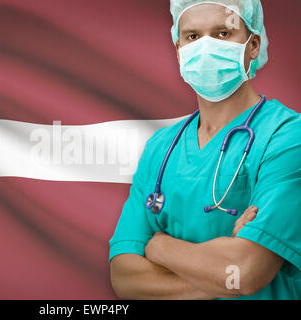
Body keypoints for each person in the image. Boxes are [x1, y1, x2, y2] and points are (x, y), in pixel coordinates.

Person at [108, 0, 301, 300]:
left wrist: (159, 246)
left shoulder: (287, 136)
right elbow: (123, 276)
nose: (205, 47)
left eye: (223, 33)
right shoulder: (161, 147)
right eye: (193, 37)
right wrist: (219, 272)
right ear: (179, 50)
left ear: (253, 45)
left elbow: (245, 272)